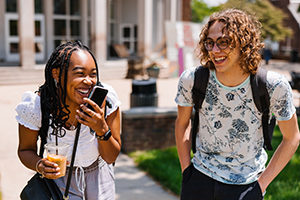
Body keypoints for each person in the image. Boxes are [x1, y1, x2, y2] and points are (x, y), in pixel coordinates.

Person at [175, 9, 300, 200]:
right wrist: (187, 173)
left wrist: (260, 186)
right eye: (210, 43)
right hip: (199, 180)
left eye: (223, 42)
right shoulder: (193, 79)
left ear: (243, 42)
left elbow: (292, 137)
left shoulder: (273, 85)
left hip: (247, 186)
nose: (215, 51)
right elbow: (182, 123)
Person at [16, 41, 121, 199]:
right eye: (80, 73)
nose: (88, 81)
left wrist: (101, 129)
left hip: (100, 180)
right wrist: (40, 165)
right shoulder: (37, 106)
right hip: (59, 180)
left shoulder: (106, 101)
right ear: (56, 74)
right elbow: (25, 150)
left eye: (93, 74)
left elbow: (111, 157)